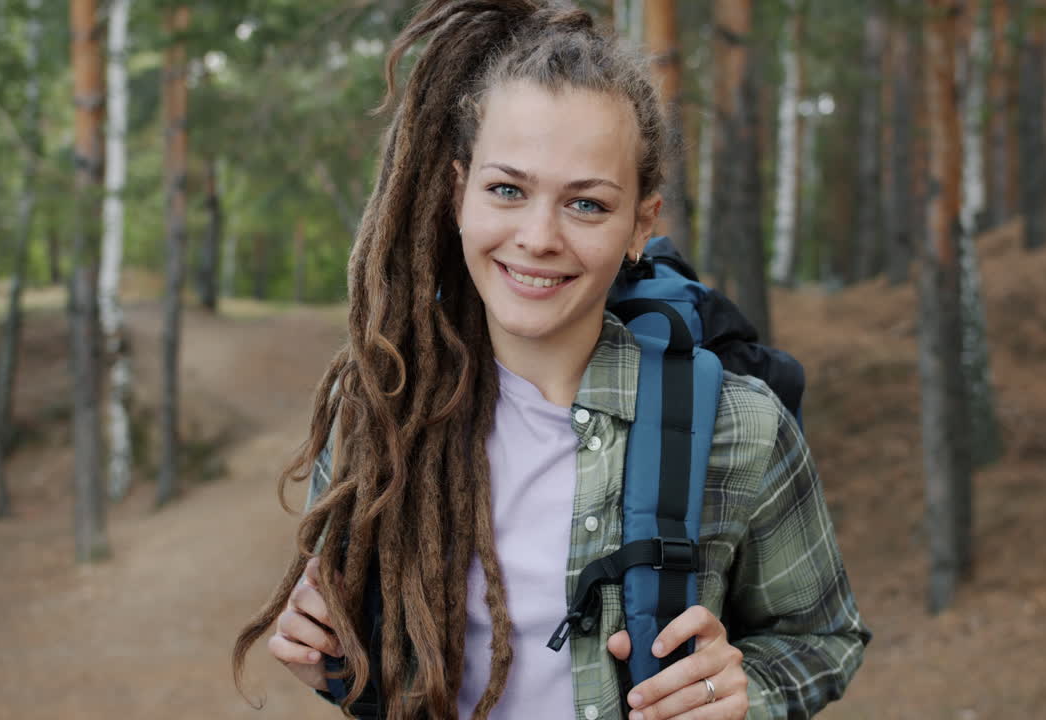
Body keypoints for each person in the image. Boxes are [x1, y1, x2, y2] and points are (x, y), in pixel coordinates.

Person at [232, 2, 870, 719]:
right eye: (508, 189)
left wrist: (742, 693)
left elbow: (825, 637)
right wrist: (334, 661)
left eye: (587, 205)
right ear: (457, 194)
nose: (538, 237)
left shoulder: (739, 427)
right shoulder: (381, 401)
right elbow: (373, 653)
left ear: (641, 224)